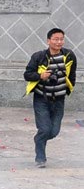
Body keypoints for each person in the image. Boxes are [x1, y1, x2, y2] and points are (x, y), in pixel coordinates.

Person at [24, 27, 77, 167]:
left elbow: (72, 74)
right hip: (42, 98)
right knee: (45, 129)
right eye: (56, 39)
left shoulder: (69, 55)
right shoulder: (39, 56)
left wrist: (68, 88)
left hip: (59, 100)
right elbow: (27, 74)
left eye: (61, 39)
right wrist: (40, 76)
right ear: (48, 41)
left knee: (54, 131)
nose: (59, 42)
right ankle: (40, 158)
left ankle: (39, 139)